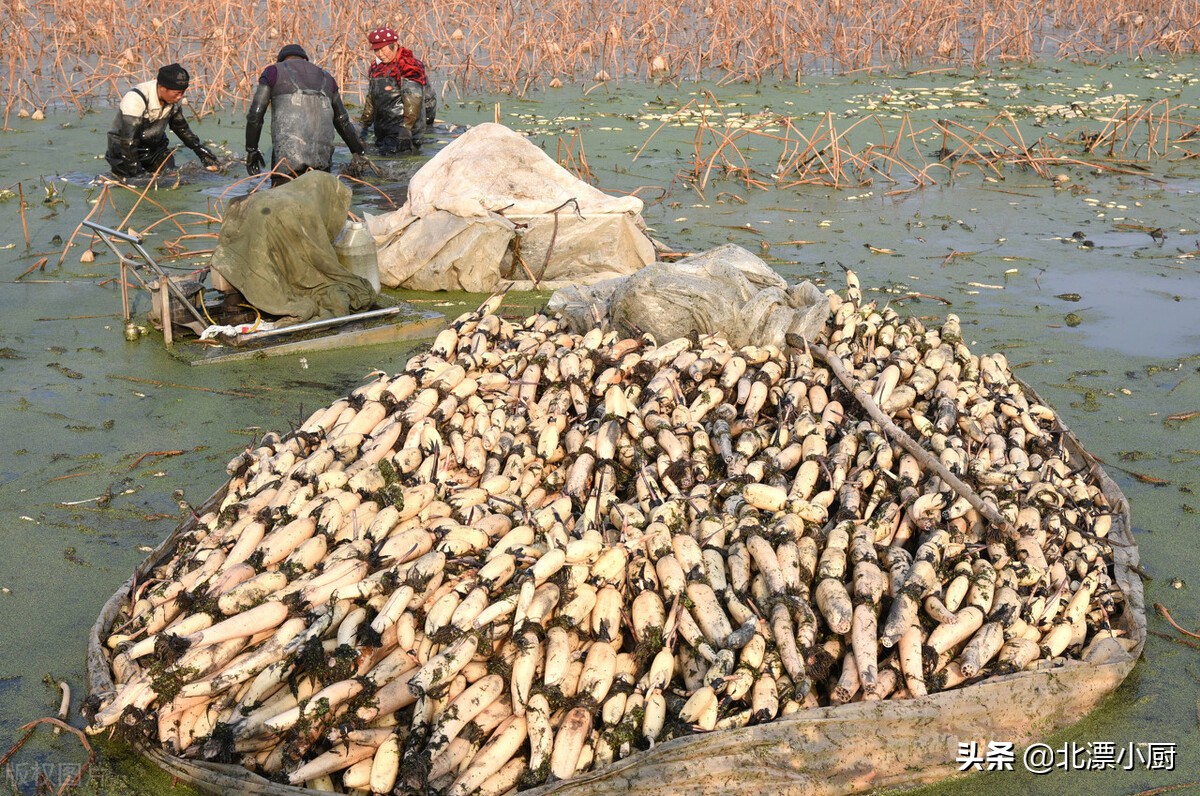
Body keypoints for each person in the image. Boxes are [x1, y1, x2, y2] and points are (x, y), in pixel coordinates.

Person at [244, 44, 368, 185]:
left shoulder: (273, 72)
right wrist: (358, 152)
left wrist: (251, 149)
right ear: (305, 59)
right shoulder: (327, 77)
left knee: (284, 195)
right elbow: (342, 121)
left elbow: (256, 114)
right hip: (322, 163)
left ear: (282, 60)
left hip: (287, 165)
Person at [105, 63, 221, 179]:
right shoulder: (136, 99)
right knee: (141, 183)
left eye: (182, 93)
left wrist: (202, 152)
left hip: (154, 151)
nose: (180, 97)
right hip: (124, 153)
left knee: (173, 177)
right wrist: (139, 175)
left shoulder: (174, 100)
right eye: (177, 93)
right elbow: (128, 142)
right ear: (162, 88)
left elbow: (181, 128)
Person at [359, 27, 436, 155]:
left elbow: (414, 98)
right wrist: (364, 125)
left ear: (394, 45)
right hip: (383, 131)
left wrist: (406, 128)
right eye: (376, 50)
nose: (380, 54)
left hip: (404, 133)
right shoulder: (376, 68)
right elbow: (372, 98)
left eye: (382, 49)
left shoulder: (409, 65)